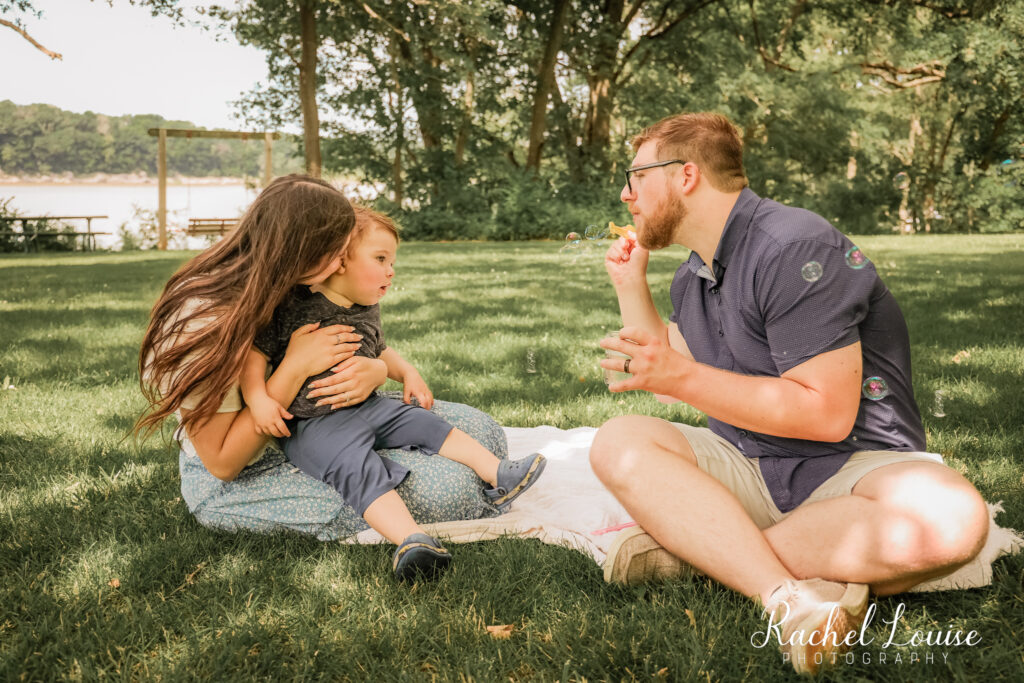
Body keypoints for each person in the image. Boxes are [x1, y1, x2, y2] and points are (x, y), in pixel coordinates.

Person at [593, 113, 989, 674]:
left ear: (686, 175)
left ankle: (705, 552)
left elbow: (826, 416)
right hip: (749, 459)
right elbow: (664, 377)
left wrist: (677, 377)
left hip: (853, 466)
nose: (625, 193)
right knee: (619, 441)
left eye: (636, 176)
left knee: (952, 518)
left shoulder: (795, 247)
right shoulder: (692, 276)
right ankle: (787, 593)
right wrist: (630, 284)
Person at [136, 175, 514, 567]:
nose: (342, 262)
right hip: (247, 472)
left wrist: (375, 370)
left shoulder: (292, 282)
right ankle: (409, 533)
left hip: (326, 419)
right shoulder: (200, 321)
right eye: (336, 252)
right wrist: (296, 367)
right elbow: (223, 463)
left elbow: (359, 345)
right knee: (452, 490)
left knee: (482, 430)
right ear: (302, 249)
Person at [239, 206, 546, 580]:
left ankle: (498, 474)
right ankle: (412, 540)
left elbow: (380, 349)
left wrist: (407, 374)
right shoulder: (293, 305)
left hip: (367, 406)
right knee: (357, 470)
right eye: (380, 259)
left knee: (424, 423)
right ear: (339, 261)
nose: (391, 271)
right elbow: (254, 356)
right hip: (314, 425)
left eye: (392, 261)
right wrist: (258, 399)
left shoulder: (366, 307)